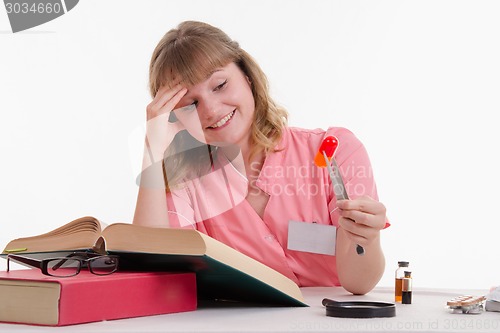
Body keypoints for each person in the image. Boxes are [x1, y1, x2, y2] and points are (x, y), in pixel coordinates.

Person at [133, 20, 388, 295]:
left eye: (219, 85)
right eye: (191, 104)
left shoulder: (334, 150)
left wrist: (367, 238)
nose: (211, 110)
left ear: (247, 76)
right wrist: (153, 151)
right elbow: (155, 272)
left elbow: (359, 283)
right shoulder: (183, 180)